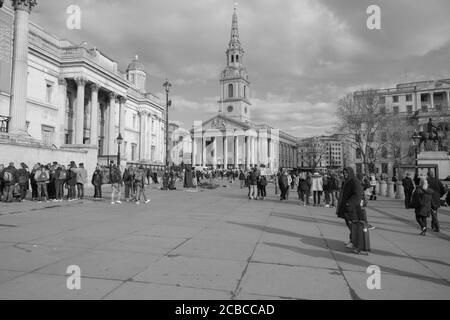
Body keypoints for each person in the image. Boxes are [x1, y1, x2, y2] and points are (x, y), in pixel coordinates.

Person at [336, 167, 363, 250]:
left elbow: (357, 195)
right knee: (350, 225)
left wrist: (349, 203)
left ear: (350, 173)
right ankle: (351, 240)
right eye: (344, 173)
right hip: (347, 208)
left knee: (353, 226)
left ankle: (355, 242)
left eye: (346, 173)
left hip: (352, 209)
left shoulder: (354, 181)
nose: (345, 174)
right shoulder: (346, 182)